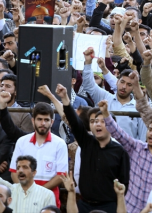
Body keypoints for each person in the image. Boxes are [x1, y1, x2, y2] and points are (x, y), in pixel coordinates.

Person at [57, 83, 130, 213]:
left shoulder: (120, 151)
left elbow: (124, 183)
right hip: (84, 205)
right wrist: (65, 98)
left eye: (103, 121)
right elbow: (74, 122)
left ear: (112, 126)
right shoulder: (86, 142)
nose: (98, 124)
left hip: (109, 207)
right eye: (95, 121)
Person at [99, 99, 152, 213]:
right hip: (130, 208)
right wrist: (106, 113)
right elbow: (118, 133)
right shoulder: (137, 147)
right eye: (150, 129)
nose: (151, 133)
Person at [0, 148, 56, 213]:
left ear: (34, 172)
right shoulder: (11, 189)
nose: (20, 170)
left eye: (25, 167)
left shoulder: (47, 195)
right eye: (18, 168)